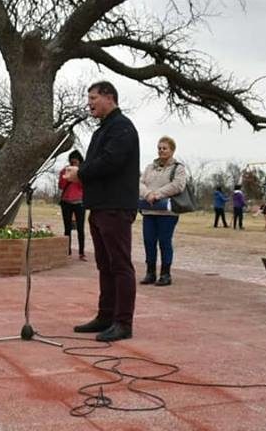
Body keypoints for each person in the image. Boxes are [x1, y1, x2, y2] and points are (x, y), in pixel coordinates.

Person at [63, 81, 140, 342]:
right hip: (99, 206)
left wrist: (80, 173)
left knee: (120, 265)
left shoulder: (122, 128)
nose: (90, 103)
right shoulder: (103, 129)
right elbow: (97, 162)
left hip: (116, 206)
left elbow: (110, 162)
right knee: (105, 266)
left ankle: (123, 322)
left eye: (94, 98)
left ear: (109, 97)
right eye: (89, 98)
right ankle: (105, 316)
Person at [137, 136, 187, 287]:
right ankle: (150, 272)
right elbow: (140, 183)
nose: (161, 151)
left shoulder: (178, 168)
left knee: (164, 242)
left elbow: (178, 185)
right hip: (149, 210)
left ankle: (166, 273)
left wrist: (157, 194)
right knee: (149, 241)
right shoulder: (150, 167)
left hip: (167, 212)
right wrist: (147, 194)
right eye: (159, 148)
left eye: (165, 148)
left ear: (172, 150)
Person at [57, 149, 87, 260]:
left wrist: (78, 176)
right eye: (72, 162)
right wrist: (66, 176)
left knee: (80, 228)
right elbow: (61, 186)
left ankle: (81, 252)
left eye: (76, 162)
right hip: (66, 201)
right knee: (67, 228)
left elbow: (85, 186)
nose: (74, 164)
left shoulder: (83, 171)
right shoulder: (65, 170)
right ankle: (67, 251)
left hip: (79, 202)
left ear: (79, 161)